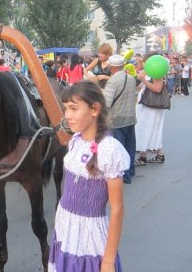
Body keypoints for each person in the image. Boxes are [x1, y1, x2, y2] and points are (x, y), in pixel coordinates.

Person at [48, 81, 128, 272]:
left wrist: (108, 259)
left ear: (95, 109)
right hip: (66, 224)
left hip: (89, 234)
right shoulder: (75, 140)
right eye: (66, 108)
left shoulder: (109, 149)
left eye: (74, 109)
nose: (67, 115)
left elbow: (117, 209)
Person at [103, 55, 137, 184]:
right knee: (130, 146)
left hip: (117, 119)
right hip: (131, 117)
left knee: (119, 149)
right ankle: (131, 170)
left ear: (111, 67)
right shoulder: (131, 78)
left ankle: (125, 175)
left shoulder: (112, 82)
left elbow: (107, 103)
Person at [134, 55, 167, 166]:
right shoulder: (148, 71)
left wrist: (143, 79)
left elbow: (157, 89)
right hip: (146, 106)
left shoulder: (156, 72)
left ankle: (143, 157)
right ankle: (160, 154)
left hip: (151, 107)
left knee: (147, 129)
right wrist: (141, 80)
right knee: (150, 130)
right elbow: (141, 88)